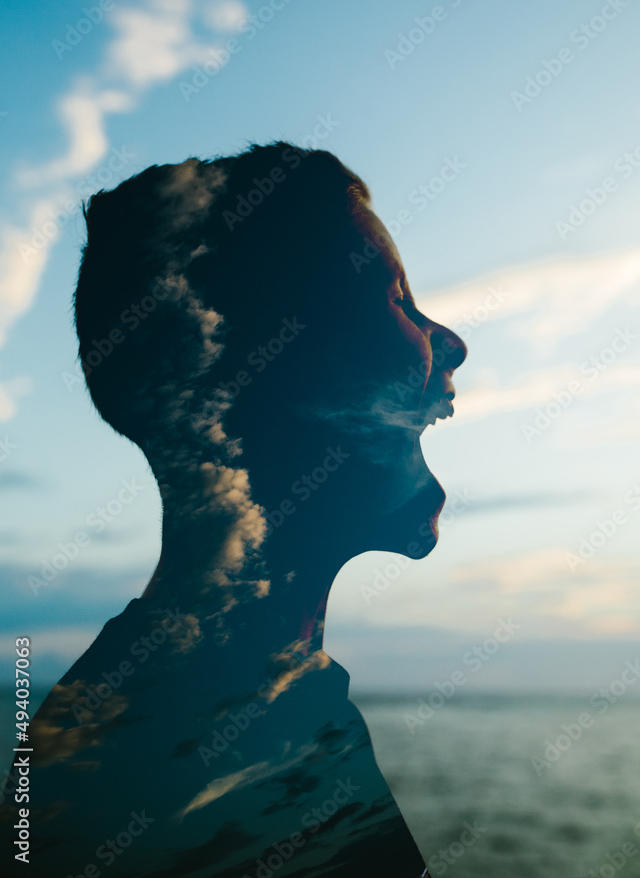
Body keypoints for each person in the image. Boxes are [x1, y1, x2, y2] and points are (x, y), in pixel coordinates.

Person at [3, 143, 466, 877]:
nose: (452, 342)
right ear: (251, 371)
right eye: (396, 300)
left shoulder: (237, 691)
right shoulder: (171, 743)